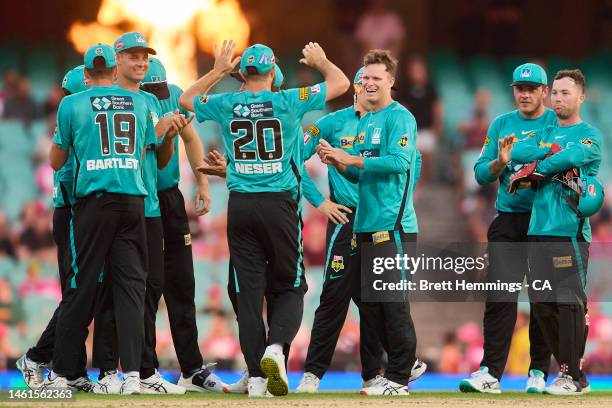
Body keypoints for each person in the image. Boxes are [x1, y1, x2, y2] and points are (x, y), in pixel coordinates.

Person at [180, 40, 349, 397]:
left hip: (240, 205)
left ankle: (256, 376)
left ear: (243, 74)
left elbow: (185, 100)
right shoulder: (287, 100)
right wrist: (321, 61)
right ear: (273, 73)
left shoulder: (227, 102)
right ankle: (276, 348)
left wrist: (218, 70)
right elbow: (341, 84)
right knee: (291, 285)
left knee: (247, 293)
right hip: (279, 207)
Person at [42, 43, 186, 394]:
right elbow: (151, 151)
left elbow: (56, 161)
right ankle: (132, 376)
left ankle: (60, 375)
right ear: (115, 68)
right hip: (134, 202)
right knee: (131, 289)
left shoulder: (72, 103)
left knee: (81, 286)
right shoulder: (141, 102)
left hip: (94, 202)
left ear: (87, 74)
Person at [297, 67, 425, 393]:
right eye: (363, 81)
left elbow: (411, 164)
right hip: (344, 218)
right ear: (356, 86)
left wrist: (397, 204)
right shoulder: (331, 122)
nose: (368, 86)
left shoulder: (390, 121)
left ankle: (374, 373)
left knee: (374, 300)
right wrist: (320, 203)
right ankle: (313, 374)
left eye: (374, 81)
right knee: (334, 297)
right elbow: (293, 160)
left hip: (380, 220)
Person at [460, 63, 557, 394]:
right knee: (500, 296)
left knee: (543, 298)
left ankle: (539, 371)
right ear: (513, 90)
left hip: (546, 221)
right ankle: (490, 371)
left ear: (544, 91)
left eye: (532, 88)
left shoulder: (555, 123)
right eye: (520, 88)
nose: (525, 94)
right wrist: (500, 162)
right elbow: (480, 173)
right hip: (508, 220)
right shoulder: (502, 124)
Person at [509, 69, 603, 395]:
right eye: (557, 93)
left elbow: (575, 156)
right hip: (538, 231)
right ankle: (571, 374)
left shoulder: (590, 134)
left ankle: (573, 376)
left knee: (570, 304)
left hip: (569, 233)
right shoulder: (545, 131)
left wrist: (539, 165)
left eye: (566, 93)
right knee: (542, 304)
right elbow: (517, 152)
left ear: (581, 97)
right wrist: (545, 156)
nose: (559, 98)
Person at [140, 55, 226, 394]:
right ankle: (145, 370)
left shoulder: (173, 93)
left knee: (182, 284)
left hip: (170, 197)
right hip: (140, 200)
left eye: (161, 89)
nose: (159, 95)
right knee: (148, 288)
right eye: (153, 90)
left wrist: (202, 182)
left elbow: (190, 137)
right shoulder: (130, 102)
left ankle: (191, 368)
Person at [16, 65, 95, 392]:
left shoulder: (71, 119)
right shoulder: (78, 123)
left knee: (79, 294)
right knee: (79, 295)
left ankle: (74, 370)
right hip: (74, 213)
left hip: (70, 213)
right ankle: (36, 358)